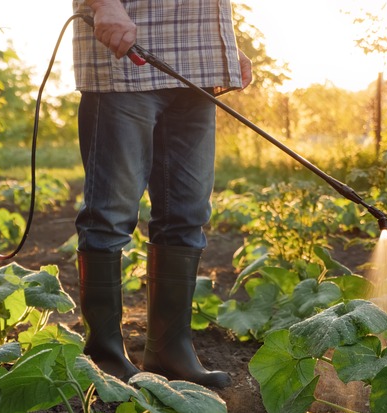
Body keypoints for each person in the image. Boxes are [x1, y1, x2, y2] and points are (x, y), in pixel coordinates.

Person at [72, 0, 252, 389]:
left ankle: (171, 351)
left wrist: (221, 44)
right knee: (111, 215)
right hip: (124, 58)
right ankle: (104, 357)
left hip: (196, 63)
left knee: (186, 215)